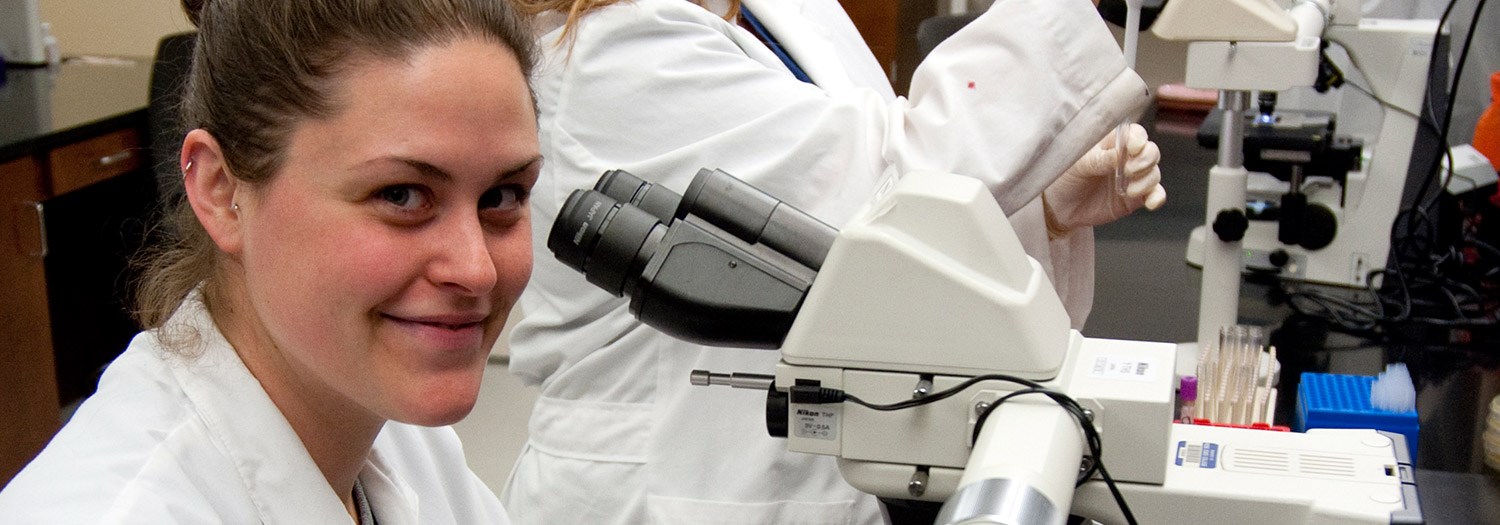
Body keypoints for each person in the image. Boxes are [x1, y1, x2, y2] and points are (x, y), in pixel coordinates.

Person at [502, 0, 1164, 523]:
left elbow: (877, 193)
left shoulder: (781, 9)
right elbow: (877, 195)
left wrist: (1038, 208)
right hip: (669, 481)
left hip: (798, 463)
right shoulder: (607, 50)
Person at [0, 0, 540, 522]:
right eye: (400, 195)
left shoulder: (397, 437)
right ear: (218, 190)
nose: (477, 270)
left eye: (502, 197)